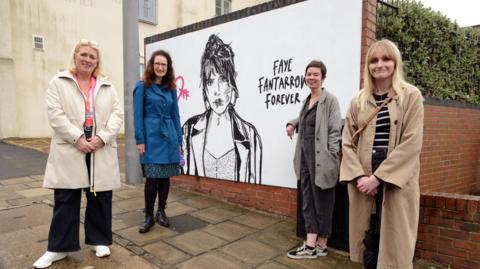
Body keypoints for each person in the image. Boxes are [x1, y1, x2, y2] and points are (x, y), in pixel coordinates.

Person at [33, 39, 123, 268]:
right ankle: (58, 248)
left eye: (92, 57)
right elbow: (55, 115)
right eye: (84, 54)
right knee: (66, 198)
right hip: (70, 146)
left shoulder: (107, 85)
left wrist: (102, 137)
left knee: (100, 197)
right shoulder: (60, 81)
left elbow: (116, 115)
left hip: (100, 147)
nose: (87, 59)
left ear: (97, 62)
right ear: (75, 56)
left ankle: (99, 240)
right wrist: (78, 138)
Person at [340, 39, 424, 269]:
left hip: (396, 179)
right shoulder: (358, 101)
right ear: (367, 66)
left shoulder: (411, 96)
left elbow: (411, 143)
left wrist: (379, 178)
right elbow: (347, 142)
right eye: (374, 60)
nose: (380, 65)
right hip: (363, 180)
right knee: (368, 238)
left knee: (396, 243)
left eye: (386, 59)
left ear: (395, 62)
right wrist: (360, 177)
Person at [182, 34, 262, 183]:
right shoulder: (189, 129)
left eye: (223, 79)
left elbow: (255, 183)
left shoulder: (250, 135)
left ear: (232, 81)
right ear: (205, 87)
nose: (217, 90)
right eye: (210, 82)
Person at [286, 60, 342, 259]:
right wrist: (292, 123)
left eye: (315, 74)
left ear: (323, 77)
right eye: (308, 74)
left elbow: (335, 130)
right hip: (305, 159)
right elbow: (305, 120)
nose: (311, 77)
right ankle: (310, 244)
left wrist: (332, 154)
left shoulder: (330, 101)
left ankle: (322, 244)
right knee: (308, 202)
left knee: (323, 204)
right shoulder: (307, 100)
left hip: (322, 161)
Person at [134, 50, 182, 233]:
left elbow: (175, 115)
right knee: (152, 178)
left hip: (169, 138)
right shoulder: (142, 87)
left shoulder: (171, 88)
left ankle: (161, 212)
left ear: (168, 67)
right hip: (151, 138)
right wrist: (140, 140)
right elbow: (137, 116)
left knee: (165, 178)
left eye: (164, 64)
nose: (160, 67)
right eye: (157, 64)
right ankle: (148, 216)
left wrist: (178, 140)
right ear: (151, 66)